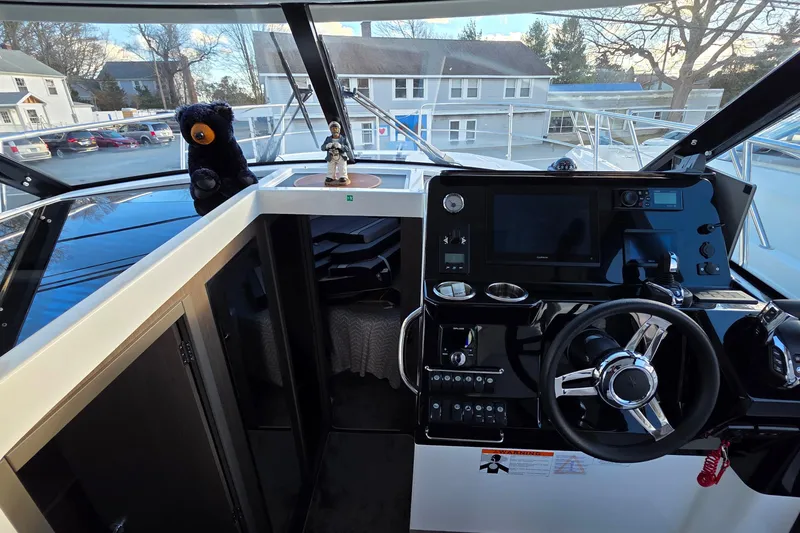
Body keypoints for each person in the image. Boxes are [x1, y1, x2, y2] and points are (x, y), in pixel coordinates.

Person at [321, 120, 354, 186]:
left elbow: (348, 148)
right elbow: (322, 147)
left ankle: (343, 176)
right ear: (330, 130)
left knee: (342, 166)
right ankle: (330, 176)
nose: (334, 130)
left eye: (336, 128)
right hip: (331, 156)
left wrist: (341, 146)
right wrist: (327, 146)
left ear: (339, 129)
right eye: (332, 129)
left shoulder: (344, 139)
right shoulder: (328, 139)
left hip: (341, 156)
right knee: (331, 166)